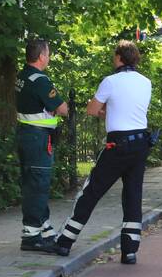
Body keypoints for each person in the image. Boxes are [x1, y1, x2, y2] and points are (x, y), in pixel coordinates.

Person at [54, 41, 153, 264]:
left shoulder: (111, 81)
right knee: (133, 196)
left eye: (114, 55)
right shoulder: (146, 82)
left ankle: (65, 242)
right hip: (140, 144)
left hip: (117, 145)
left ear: (119, 57)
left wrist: (105, 112)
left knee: (91, 191)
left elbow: (91, 110)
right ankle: (129, 251)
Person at [15, 39, 70, 252]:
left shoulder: (22, 76)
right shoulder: (40, 80)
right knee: (38, 184)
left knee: (31, 182)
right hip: (38, 138)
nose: (49, 57)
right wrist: (55, 109)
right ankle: (31, 236)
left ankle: (44, 229)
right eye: (48, 53)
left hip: (26, 135)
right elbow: (63, 108)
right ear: (41, 57)